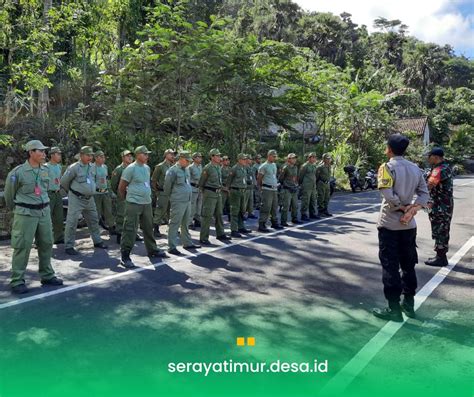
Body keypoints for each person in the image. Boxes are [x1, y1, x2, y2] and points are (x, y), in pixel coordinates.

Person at [373, 134, 429, 321]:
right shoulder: (415, 168)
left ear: (389, 149)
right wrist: (412, 209)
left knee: (390, 266)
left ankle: (394, 309)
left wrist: (402, 207)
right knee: (408, 265)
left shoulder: (386, 167)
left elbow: (387, 193)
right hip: (408, 225)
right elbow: (424, 193)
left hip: (390, 223)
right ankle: (409, 305)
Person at [4, 140, 63, 294]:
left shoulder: (46, 170)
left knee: (47, 243)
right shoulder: (17, 173)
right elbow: (9, 197)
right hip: (26, 214)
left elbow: (46, 189)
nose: (44, 154)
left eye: (44, 151)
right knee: (22, 246)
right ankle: (17, 280)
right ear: (31, 152)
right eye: (40, 151)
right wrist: (19, 210)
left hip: (43, 212)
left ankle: (47, 275)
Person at [118, 146, 168, 268]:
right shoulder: (131, 168)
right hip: (134, 203)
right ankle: (125, 256)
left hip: (146, 203)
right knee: (130, 229)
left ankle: (152, 250)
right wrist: (127, 200)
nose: (147, 156)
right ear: (138, 155)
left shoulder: (147, 168)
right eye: (145, 154)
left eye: (147, 154)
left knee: (148, 227)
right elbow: (121, 187)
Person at [61, 146, 108, 255]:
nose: (90, 157)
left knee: (94, 219)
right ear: (81, 155)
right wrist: (74, 192)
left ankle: (97, 241)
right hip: (76, 198)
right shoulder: (74, 167)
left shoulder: (92, 167)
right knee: (72, 222)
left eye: (91, 155)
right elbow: (64, 182)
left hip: (89, 199)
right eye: (88, 155)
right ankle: (69, 246)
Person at [164, 151, 201, 255]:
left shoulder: (186, 170)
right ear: (180, 159)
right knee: (174, 223)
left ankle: (187, 242)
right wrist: (172, 198)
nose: (188, 162)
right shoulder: (172, 171)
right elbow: (167, 187)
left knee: (185, 223)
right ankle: (172, 246)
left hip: (187, 200)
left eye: (189, 161)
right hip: (178, 200)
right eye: (187, 160)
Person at [425, 147, 454, 267]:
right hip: (442, 205)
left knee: (440, 230)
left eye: (430, 156)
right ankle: (440, 255)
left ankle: (441, 258)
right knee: (441, 229)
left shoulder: (439, 169)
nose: (428, 158)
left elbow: (429, 185)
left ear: (436, 157)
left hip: (440, 206)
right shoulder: (443, 167)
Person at [198, 149, 232, 245]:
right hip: (210, 193)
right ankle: (204, 237)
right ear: (212, 157)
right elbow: (201, 183)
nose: (219, 157)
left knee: (219, 214)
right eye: (217, 156)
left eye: (219, 155)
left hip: (218, 193)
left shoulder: (218, 167)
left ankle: (220, 233)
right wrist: (205, 194)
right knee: (207, 216)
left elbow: (219, 182)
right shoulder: (207, 168)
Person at [110, 149, 134, 244]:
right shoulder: (119, 169)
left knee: (132, 216)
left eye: (131, 156)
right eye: (127, 156)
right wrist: (120, 194)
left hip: (133, 195)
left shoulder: (133, 168)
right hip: (122, 196)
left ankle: (132, 234)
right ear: (123, 158)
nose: (130, 157)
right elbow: (113, 184)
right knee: (121, 215)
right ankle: (119, 235)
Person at [227, 153, 252, 238]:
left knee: (242, 210)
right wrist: (229, 190)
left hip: (243, 191)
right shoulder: (234, 169)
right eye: (243, 159)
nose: (245, 160)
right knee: (235, 211)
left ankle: (241, 227)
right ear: (239, 160)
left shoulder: (244, 168)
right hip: (236, 191)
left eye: (246, 159)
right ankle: (234, 230)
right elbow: (229, 181)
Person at [257, 150, 283, 232]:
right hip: (267, 189)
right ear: (269, 156)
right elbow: (259, 179)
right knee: (266, 207)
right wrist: (260, 188)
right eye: (273, 156)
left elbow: (273, 176)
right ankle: (262, 224)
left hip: (274, 189)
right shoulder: (263, 166)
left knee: (274, 206)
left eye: (275, 156)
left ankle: (274, 222)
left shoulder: (274, 165)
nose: (275, 158)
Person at [152, 149, 175, 237]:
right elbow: (154, 180)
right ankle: (156, 229)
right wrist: (157, 191)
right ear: (166, 155)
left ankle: (171, 228)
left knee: (171, 211)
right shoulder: (160, 166)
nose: (173, 156)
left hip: (172, 192)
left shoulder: (173, 166)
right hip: (163, 192)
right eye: (170, 154)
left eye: (173, 154)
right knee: (160, 210)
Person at [93, 150, 116, 235]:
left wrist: (110, 191)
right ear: (96, 158)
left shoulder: (105, 167)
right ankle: (95, 231)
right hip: (96, 193)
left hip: (105, 192)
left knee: (108, 211)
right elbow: (91, 181)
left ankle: (111, 227)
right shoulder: (92, 167)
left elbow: (107, 180)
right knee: (96, 212)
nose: (103, 158)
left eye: (103, 157)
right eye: (101, 157)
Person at [46, 146, 64, 244]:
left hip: (57, 194)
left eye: (60, 154)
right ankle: (41, 240)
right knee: (45, 218)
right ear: (52, 155)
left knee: (59, 217)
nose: (60, 156)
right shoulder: (45, 167)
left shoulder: (59, 167)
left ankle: (58, 237)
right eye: (58, 154)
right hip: (48, 194)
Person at [279, 153, 300, 226]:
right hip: (287, 189)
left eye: (295, 158)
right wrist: (285, 185)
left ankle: (294, 218)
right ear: (289, 159)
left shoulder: (295, 167)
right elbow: (281, 179)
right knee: (286, 206)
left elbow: (296, 177)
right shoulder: (285, 167)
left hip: (294, 188)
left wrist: (296, 185)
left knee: (295, 205)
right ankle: (283, 221)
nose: (294, 159)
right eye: (293, 158)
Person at [299, 153, 319, 221]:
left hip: (313, 186)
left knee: (313, 200)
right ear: (309, 158)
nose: (314, 159)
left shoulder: (314, 166)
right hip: (306, 186)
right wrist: (301, 184)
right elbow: (301, 176)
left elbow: (314, 175)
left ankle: (312, 213)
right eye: (312, 157)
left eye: (315, 157)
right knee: (305, 200)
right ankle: (303, 214)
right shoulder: (305, 166)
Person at [188, 152, 203, 229]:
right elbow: (187, 179)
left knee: (199, 205)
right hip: (193, 188)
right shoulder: (190, 167)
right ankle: (190, 222)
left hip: (200, 188)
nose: (200, 158)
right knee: (192, 206)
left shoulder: (200, 166)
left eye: (200, 157)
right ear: (194, 158)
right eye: (198, 157)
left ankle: (197, 220)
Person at [220, 155, 231, 221]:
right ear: (223, 161)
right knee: (221, 205)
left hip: (230, 188)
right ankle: (219, 219)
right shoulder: (220, 169)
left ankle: (230, 218)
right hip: (223, 189)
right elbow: (219, 180)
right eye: (226, 160)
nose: (227, 161)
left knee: (230, 204)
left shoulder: (230, 169)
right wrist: (224, 188)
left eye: (228, 160)